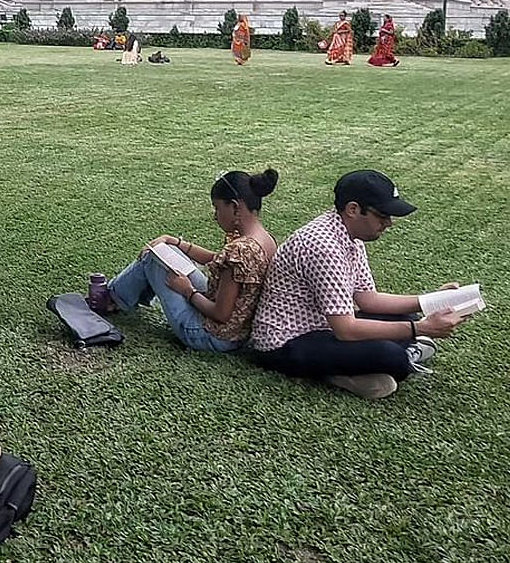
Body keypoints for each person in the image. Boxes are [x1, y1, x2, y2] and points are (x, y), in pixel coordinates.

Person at [251, 170, 468, 400]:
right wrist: (421, 330)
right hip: (286, 343)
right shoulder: (323, 246)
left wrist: (432, 301)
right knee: (392, 356)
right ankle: (349, 370)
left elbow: (367, 298)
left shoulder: (348, 235)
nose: (389, 224)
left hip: (323, 327)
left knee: (407, 318)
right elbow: (346, 330)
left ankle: (359, 367)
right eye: (383, 215)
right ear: (353, 209)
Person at [104, 169, 280, 352]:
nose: (215, 216)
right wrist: (176, 242)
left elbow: (221, 314)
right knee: (165, 250)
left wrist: (188, 291)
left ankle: (111, 297)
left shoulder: (240, 251)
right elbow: (218, 260)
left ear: (235, 207)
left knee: (153, 257)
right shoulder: (265, 240)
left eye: (217, 208)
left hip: (210, 336)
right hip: (238, 331)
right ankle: (115, 297)